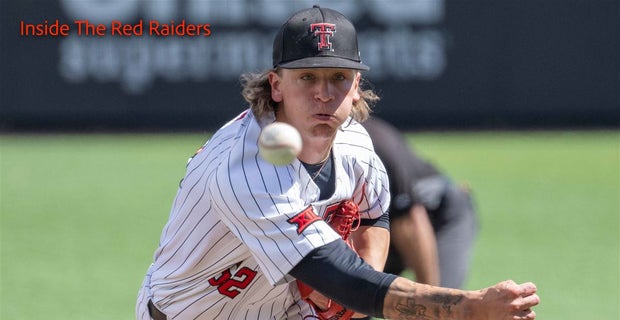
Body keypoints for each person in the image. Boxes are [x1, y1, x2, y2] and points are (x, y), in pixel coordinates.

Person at [136, 5, 539, 320]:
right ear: (276, 85)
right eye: (307, 78)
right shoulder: (246, 173)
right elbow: (347, 281)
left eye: (338, 77)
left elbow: (374, 218)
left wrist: (356, 290)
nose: (325, 93)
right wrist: (467, 308)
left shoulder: (356, 147)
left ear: (357, 86)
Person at [362, 116, 478, 289]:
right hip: (384, 226)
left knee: (443, 307)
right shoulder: (317, 142)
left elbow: (410, 223)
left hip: (439, 217)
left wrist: (430, 301)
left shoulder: (372, 143)